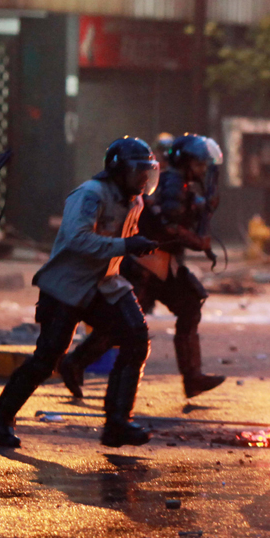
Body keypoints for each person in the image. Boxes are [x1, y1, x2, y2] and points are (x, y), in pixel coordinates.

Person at [0, 137, 160, 448]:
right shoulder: (90, 195)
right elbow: (78, 240)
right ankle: (0, 416)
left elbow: (121, 243)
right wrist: (126, 245)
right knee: (46, 358)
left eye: (148, 172)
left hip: (104, 283)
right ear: (119, 171)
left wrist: (136, 248)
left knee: (136, 336)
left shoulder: (136, 201)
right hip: (65, 286)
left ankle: (118, 422)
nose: (145, 179)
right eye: (139, 172)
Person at [58, 134, 225, 399]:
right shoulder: (171, 185)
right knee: (123, 326)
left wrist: (203, 211)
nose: (204, 169)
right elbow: (171, 226)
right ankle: (76, 364)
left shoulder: (179, 184)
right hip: (145, 264)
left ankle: (192, 378)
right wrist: (199, 241)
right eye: (200, 163)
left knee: (188, 305)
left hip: (161, 264)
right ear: (186, 162)